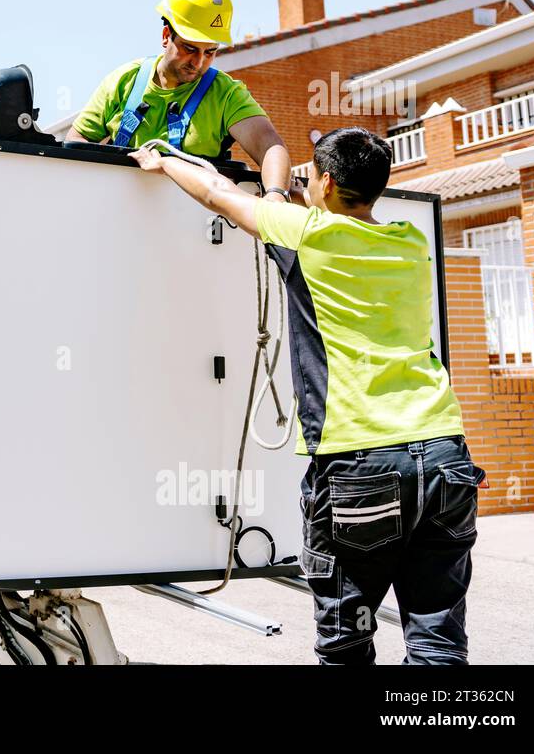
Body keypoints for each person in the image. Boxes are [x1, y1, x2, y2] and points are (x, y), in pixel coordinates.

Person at [130, 126, 484, 665]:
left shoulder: (307, 233)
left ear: (323, 180)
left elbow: (217, 193)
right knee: (437, 640)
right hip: (443, 455)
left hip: (361, 461)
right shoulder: (409, 242)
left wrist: (161, 161)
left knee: (345, 643)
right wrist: (296, 201)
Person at [66, 0, 292, 202]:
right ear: (166, 36)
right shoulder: (123, 82)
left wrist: (275, 196)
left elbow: (269, 145)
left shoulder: (226, 94)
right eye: (190, 49)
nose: (199, 62)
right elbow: (75, 145)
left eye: (210, 52)